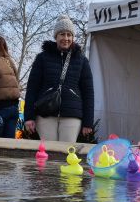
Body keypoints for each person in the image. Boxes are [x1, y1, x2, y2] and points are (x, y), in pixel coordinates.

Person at [24, 15, 94, 143]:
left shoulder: (82, 61)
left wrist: (88, 121)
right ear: (56, 36)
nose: (66, 38)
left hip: (72, 114)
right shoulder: (42, 58)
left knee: (67, 153)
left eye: (69, 35)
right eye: (62, 34)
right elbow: (32, 88)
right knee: (48, 152)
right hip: (45, 113)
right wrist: (29, 117)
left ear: (73, 37)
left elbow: (88, 92)